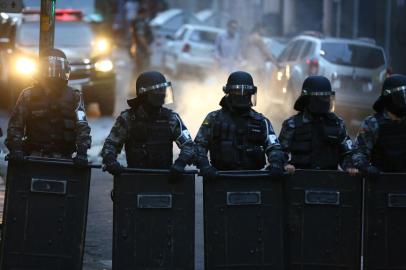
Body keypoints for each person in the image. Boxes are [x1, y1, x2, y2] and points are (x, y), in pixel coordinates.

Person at [6, 48, 91, 166]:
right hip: (34, 156)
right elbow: (15, 126)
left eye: (58, 68)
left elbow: (82, 126)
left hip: (64, 158)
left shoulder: (75, 95)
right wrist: (16, 149)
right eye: (50, 68)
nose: (54, 73)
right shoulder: (28, 95)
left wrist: (82, 152)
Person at [101, 71, 194, 177]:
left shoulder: (171, 118)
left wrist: (180, 163)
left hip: (164, 178)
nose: (162, 94)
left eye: (163, 90)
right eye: (158, 91)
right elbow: (110, 145)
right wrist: (111, 161)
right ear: (144, 94)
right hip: (135, 178)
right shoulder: (128, 118)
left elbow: (188, 145)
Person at [194, 71, 286, 178]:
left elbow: (274, 146)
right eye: (238, 92)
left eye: (246, 93)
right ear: (229, 93)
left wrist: (276, 163)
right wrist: (205, 166)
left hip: (254, 178)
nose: (242, 96)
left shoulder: (261, 120)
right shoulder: (214, 118)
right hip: (221, 178)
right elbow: (198, 146)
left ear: (251, 94)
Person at [278, 76, 357, 175]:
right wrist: (285, 165)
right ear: (309, 99)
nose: (327, 101)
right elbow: (279, 153)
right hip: (299, 180)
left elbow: (347, 153)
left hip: (331, 181)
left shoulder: (337, 124)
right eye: (323, 97)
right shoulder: (292, 124)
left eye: (328, 97)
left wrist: (350, 166)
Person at [353, 74, 406, 173]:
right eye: (402, 95)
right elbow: (358, 153)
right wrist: (367, 167)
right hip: (380, 183)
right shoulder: (373, 123)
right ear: (390, 96)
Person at [130, 6, 153, 73]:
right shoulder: (140, 22)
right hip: (141, 50)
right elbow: (140, 36)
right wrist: (147, 48)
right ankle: (137, 83)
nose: (147, 15)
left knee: (138, 69)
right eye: (146, 13)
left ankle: (134, 82)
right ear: (143, 13)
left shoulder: (136, 21)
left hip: (139, 49)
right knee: (142, 70)